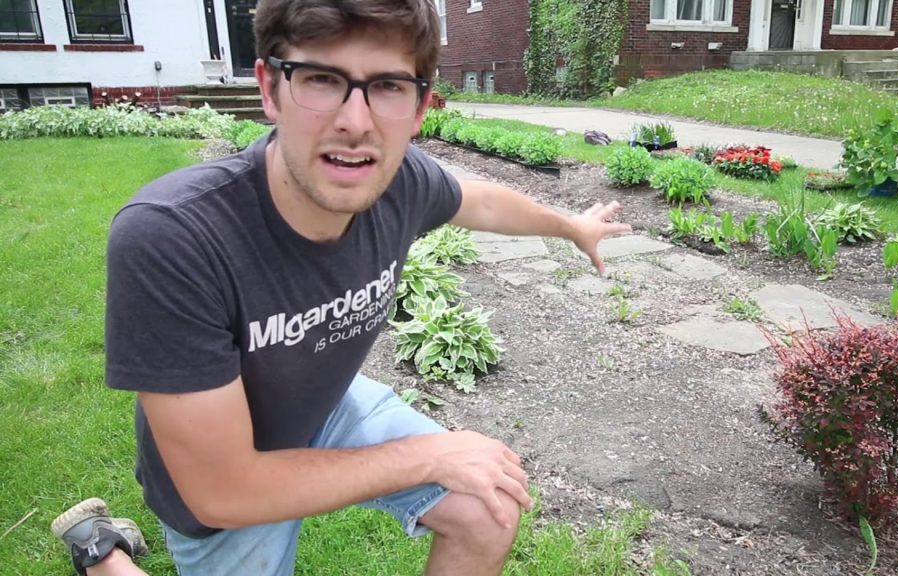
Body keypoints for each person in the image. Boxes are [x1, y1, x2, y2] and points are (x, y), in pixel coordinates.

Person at [50, 1, 629, 574]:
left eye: (388, 86)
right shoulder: (175, 237)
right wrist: (427, 455)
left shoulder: (400, 182)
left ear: (420, 107)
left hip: (322, 407)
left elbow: (479, 200)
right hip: (227, 479)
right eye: (322, 79)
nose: (356, 121)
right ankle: (101, 554)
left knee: (487, 503)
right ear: (270, 89)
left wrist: (571, 226)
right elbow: (222, 491)